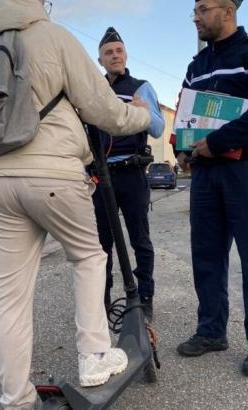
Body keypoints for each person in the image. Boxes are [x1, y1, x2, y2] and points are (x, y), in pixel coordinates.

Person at [0, 0, 152, 409]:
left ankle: (15, 397)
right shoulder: (53, 36)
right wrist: (143, 117)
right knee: (90, 256)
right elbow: (104, 109)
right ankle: (93, 355)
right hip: (52, 173)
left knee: (9, 294)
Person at [173, 0, 248, 377]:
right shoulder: (196, 66)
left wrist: (215, 142)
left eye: (203, 11)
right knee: (206, 255)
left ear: (228, 12)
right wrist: (182, 152)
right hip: (205, 175)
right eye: (195, 12)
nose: (197, 18)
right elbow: (184, 118)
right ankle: (211, 331)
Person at [92, 27, 164, 322]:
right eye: (108, 52)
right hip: (100, 177)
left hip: (131, 173)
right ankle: (102, 300)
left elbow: (158, 129)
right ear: (100, 59)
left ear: (126, 55)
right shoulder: (93, 90)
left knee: (140, 240)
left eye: (119, 51)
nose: (115, 56)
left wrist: (144, 111)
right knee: (101, 245)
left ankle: (144, 298)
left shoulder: (140, 87)